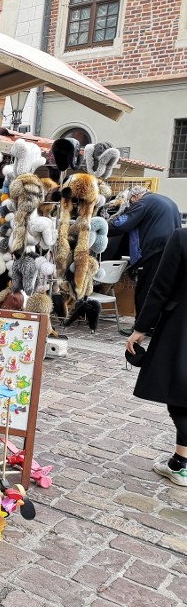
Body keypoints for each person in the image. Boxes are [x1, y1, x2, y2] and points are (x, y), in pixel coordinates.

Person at [126, 228, 187, 487]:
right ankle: (179, 462)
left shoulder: (182, 238)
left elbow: (160, 287)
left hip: (181, 328)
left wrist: (141, 328)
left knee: (179, 394)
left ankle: (181, 464)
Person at [108, 187, 181, 325]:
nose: (131, 205)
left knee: (145, 289)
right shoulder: (168, 201)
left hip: (154, 252)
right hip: (171, 251)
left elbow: (121, 225)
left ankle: (142, 326)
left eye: (130, 202)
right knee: (162, 289)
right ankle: (156, 325)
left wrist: (101, 227)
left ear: (135, 197)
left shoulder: (143, 203)